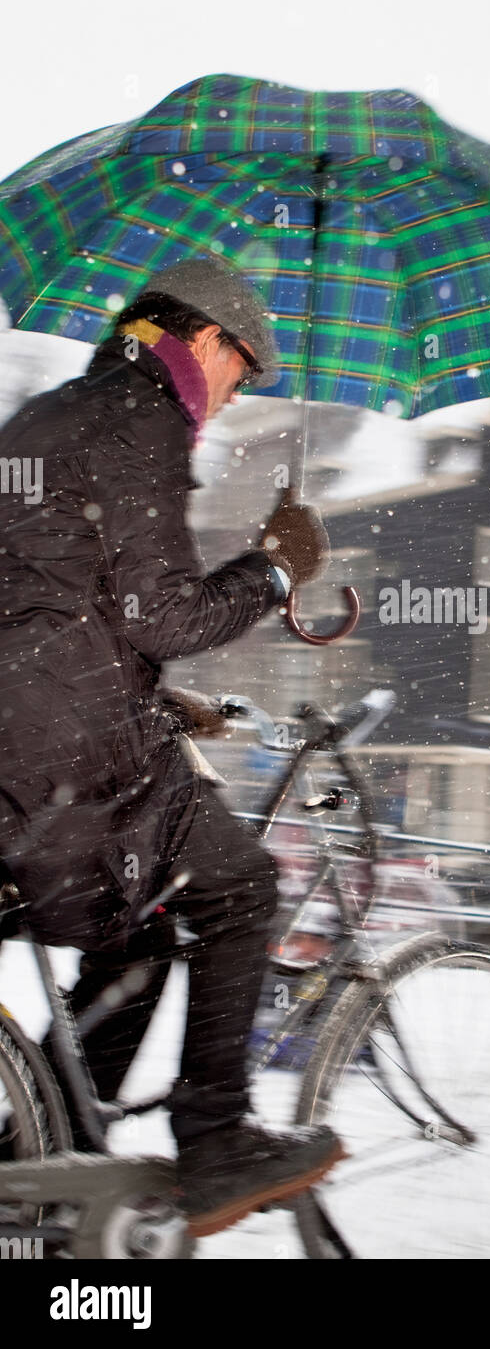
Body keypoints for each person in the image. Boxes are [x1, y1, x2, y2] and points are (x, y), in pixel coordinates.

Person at [0, 257, 344, 1236]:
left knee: (141, 925)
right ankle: (219, 1135)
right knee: (239, 887)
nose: (238, 394)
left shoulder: (54, 415)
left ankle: (54, 1145)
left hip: (21, 753)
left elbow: (53, 599)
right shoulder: (142, 416)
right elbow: (162, 610)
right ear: (203, 339)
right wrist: (274, 570)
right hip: (68, 759)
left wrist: (161, 697)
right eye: (244, 369)